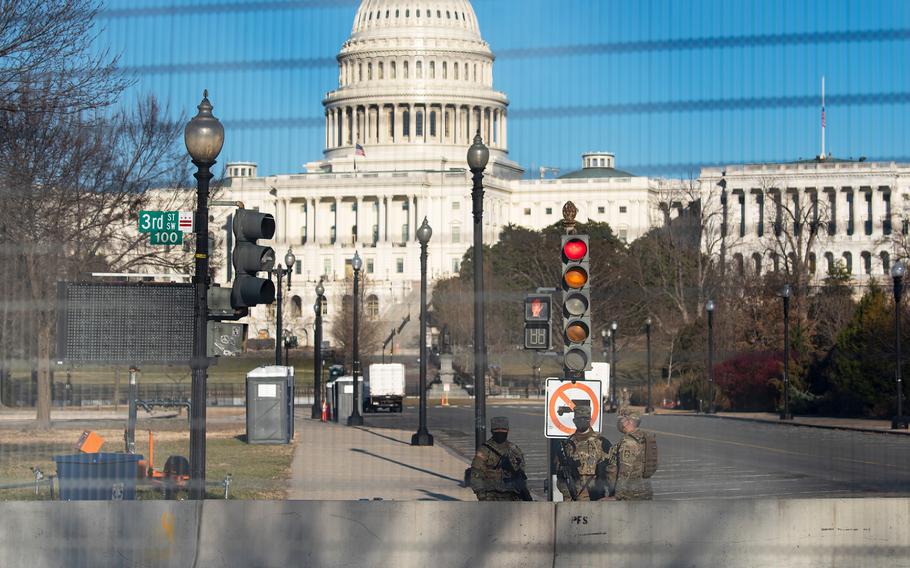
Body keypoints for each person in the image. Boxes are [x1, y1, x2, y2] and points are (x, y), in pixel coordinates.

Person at [556, 404, 611, 501]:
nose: (582, 421)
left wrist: (609, 495)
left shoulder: (602, 443)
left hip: (595, 498)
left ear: (590, 420)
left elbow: (611, 472)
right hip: (571, 498)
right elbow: (560, 473)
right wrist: (567, 491)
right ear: (574, 421)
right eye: (579, 419)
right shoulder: (566, 445)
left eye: (585, 418)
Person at [470, 416, 532, 501]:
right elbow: (476, 473)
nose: (500, 433)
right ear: (492, 432)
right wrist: (481, 494)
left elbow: (521, 472)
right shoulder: (485, 449)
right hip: (491, 495)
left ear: (507, 431)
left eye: (503, 431)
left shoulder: (514, 449)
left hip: (511, 495)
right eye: (497, 431)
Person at [605, 407, 654, 500]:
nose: (619, 422)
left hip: (630, 495)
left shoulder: (628, 443)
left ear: (629, 422)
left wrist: (617, 496)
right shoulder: (643, 438)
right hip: (644, 490)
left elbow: (624, 471)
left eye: (621, 419)